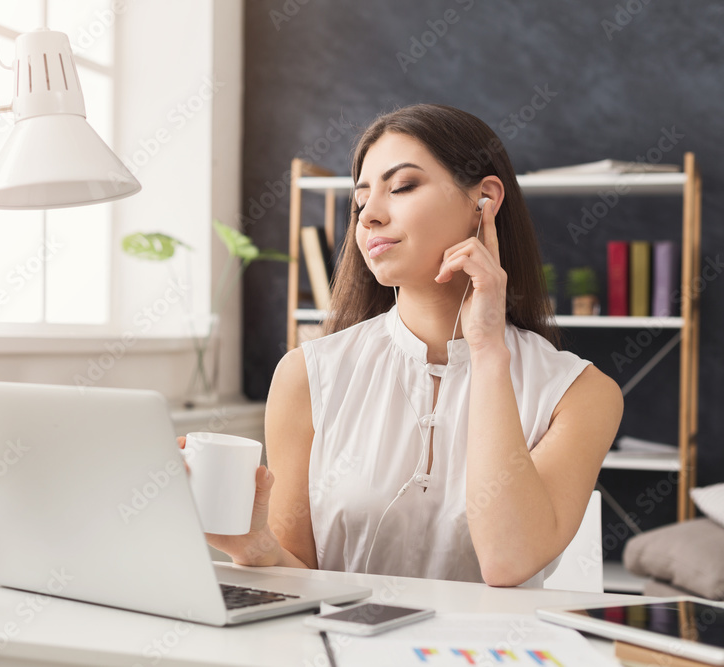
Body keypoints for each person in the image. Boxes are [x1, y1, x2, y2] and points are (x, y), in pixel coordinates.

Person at [183, 103, 623, 587]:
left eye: (403, 186)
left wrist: (488, 351)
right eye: (360, 201)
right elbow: (301, 580)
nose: (369, 216)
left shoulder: (580, 394)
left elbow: (508, 561)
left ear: (485, 200)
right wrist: (258, 548)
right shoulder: (306, 375)